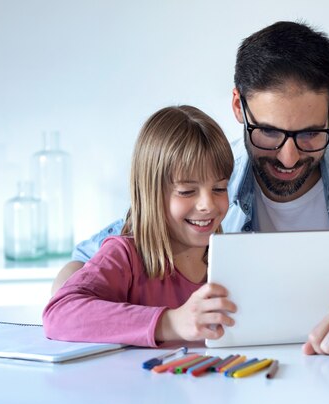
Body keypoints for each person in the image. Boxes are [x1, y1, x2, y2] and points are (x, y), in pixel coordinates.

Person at [52, 21, 329, 357]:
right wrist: (159, 320)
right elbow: (76, 276)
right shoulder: (206, 174)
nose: (288, 157)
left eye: (310, 133)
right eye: (269, 133)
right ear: (239, 106)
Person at [43, 105, 238, 346]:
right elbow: (59, 314)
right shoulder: (125, 257)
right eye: (187, 191)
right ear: (151, 194)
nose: (208, 204)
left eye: (219, 189)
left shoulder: (232, 261)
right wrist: (172, 322)